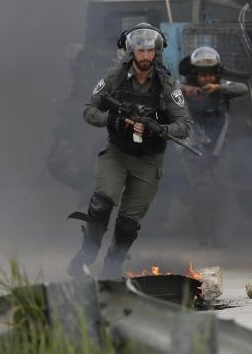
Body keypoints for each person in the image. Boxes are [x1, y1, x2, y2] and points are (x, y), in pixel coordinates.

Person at [66, 23, 192, 278]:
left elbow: (184, 125)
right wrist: (111, 120)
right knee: (101, 204)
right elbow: (89, 110)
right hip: (117, 154)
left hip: (149, 160)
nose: (145, 56)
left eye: (150, 51)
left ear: (156, 52)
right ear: (132, 51)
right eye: (140, 51)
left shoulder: (167, 84)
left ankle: (111, 268)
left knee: (128, 224)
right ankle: (86, 255)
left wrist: (160, 127)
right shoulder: (113, 77)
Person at [178, 46, 248, 246]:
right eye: (202, 75)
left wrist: (219, 88)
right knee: (202, 191)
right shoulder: (184, 90)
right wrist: (185, 89)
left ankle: (219, 236)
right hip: (192, 149)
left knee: (222, 191)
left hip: (219, 149)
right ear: (194, 74)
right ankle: (203, 235)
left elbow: (242, 88)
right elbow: (165, 88)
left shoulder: (221, 88)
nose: (207, 79)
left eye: (211, 74)